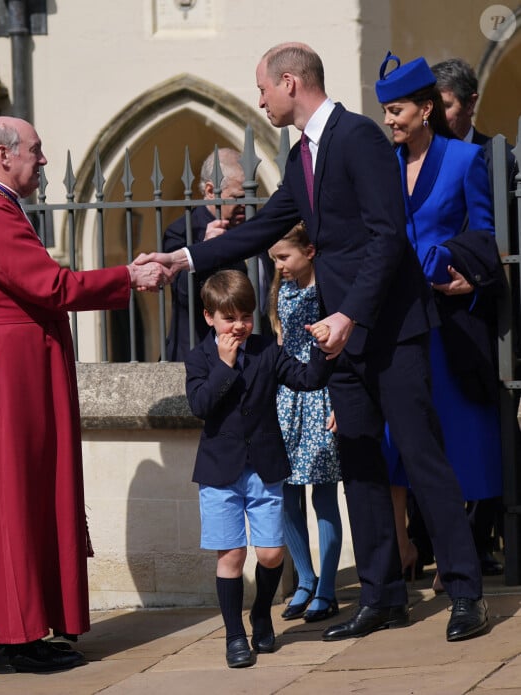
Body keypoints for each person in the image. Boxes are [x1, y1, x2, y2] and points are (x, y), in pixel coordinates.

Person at [136, 42, 489, 643]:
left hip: (392, 329)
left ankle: (466, 594)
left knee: (422, 459)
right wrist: (183, 256)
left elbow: (388, 239)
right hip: (341, 336)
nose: (260, 99)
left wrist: (350, 313)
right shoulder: (303, 155)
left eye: (263, 88)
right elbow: (267, 226)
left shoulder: (360, 138)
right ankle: (382, 597)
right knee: (359, 463)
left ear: (290, 83)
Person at [0, 116, 170, 674]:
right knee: (14, 496)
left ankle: (21, 629)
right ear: (4, 154)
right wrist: (128, 276)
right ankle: (13, 637)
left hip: (22, 362)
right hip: (11, 370)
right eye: (36, 151)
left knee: (28, 493)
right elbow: (50, 285)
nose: (43, 161)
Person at [376, 53, 504, 593]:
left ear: (426, 109)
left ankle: (464, 562)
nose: (389, 121)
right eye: (384, 111)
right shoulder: (381, 165)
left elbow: (486, 235)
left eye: (397, 110)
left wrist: (469, 278)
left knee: (454, 445)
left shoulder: (464, 160)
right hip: (394, 324)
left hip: (448, 323)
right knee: (397, 447)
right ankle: (409, 550)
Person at [185, 269, 332, 668]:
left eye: (246, 316)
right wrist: (226, 364)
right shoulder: (200, 357)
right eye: (229, 317)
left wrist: (322, 347)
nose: (239, 325)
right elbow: (200, 406)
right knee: (231, 556)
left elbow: (306, 379)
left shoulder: (268, 350)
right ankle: (235, 637)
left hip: (265, 468)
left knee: (270, 554)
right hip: (219, 473)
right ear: (209, 317)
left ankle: (261, 612)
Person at [267, 222, 342, 623]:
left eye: (284, 257)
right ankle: (305, 580)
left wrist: (342, 403)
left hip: (323, 396)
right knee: (286, 495)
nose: (278, 266)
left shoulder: (329, 289)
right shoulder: (284, 290)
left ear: (309, 251)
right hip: (287, 400)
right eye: (275, 259)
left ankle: (327, 588)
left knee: (323, 495)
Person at [163, 148, 274, 361]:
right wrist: (205, 250)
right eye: (237, 197)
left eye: (251, 195)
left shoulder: (256, 224)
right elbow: (183, 294)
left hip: (256, 353)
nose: (246, 203)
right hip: (204, 356)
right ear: (210, 190)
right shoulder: (183, 231)